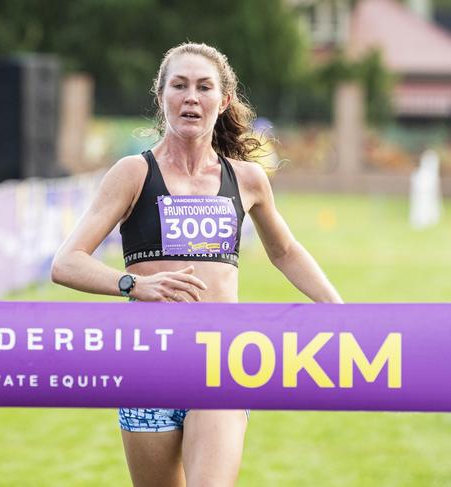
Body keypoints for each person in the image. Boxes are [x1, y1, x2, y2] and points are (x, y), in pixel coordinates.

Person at [51, 42, 342, 487]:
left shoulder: (246, 178)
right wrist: (134, 285)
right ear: (161, 96)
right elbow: (67, 262)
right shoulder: (133, 173)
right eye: (180, 85)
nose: (191, 97)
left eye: (204, 87)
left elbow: (285, 251)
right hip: (149, 363)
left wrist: (342, 313)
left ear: (222, 100)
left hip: (221, 361)